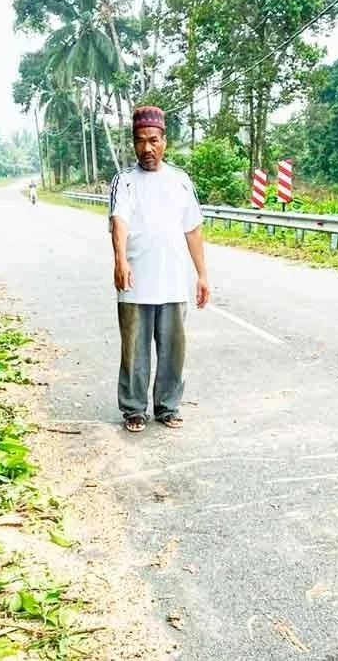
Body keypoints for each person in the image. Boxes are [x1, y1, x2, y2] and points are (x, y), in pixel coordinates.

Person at [108, 105, 209, 433]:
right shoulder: (124, 181)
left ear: (164, 141)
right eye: (140, 141)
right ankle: (134, 409)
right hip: (136, 281)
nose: (147, 148)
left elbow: (192, 229)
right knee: (134, 350)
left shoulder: (180, 181)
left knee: (174, 350)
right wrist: (120, 260)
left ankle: (168, 406)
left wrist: (202, 275)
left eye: (153, 140)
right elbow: (118, 221)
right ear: (134, 144)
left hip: (174, 281)